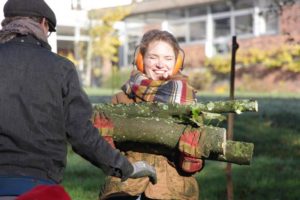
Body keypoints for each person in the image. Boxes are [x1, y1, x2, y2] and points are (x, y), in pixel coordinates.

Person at [0, 0, 157, 199]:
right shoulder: (60, 68)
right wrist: (125, 167)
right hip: (39, 186)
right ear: (43, 24)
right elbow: (81, 134)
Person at [98, 29, 205, 200]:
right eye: (153, 57)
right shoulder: (121, 99)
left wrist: (191, 158)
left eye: (168, 58)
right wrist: (105, 145)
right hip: (126, 184)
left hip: (174, 190)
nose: (160, 64)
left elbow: (194, 164)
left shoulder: (189, 103)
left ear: (177, 63)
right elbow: (107, 160)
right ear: (141, 60)